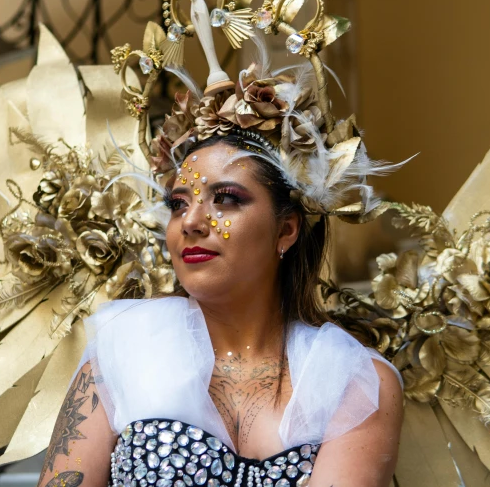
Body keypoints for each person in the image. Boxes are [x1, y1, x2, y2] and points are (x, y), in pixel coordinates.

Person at [37, 135, 404, 487]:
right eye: (178, 204)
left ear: (286, 229)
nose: (191, 222)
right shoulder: (123, 352)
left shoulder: (353, 381)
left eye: (226, 199)